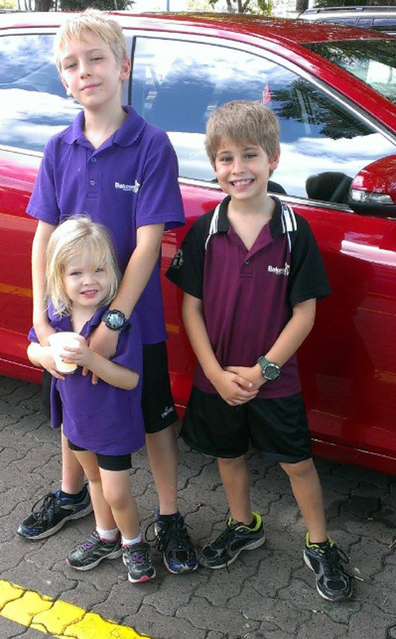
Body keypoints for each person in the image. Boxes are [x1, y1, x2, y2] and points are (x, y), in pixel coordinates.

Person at [18, 9, 197, 575]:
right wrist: (44, 325)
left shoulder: (151, 144)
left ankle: (168, 518)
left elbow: (147, 245)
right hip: (67, 317)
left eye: (96, 58)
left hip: (133, 321)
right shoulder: (56, 147)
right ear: (64, 80)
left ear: (122, 66)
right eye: (72, 64)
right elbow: (42, 240)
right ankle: (82, 505)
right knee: (78, 411)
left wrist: (114, 323)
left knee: (155, 417)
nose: (85, 71)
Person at [166, 100, 353, 602]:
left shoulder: (294, 232)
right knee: (229, 456)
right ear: (214, 167)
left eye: (249, 156)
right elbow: (190, 311)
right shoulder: (206, 230)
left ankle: (320, 542)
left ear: (273, 158)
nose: (237, 169)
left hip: (275, 379)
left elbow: (305, 313)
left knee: (297, 463)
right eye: (225, 159)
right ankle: (245, 524)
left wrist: (265, 369)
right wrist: (215, 373)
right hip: (218, 378)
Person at [27, 216, 156, 582]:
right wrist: (44, 355)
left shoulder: (116, 323)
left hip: (112, 425)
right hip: (77, 424)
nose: (89, 281)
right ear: (59, 277)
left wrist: (90, 358)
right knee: (95, 483)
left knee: (116, 492)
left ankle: (133, 542)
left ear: (112, 271)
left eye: (99, 269)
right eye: (76, 273)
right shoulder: (57, 316)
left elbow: (130, 380)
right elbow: (32, 348)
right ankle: (106, 536)